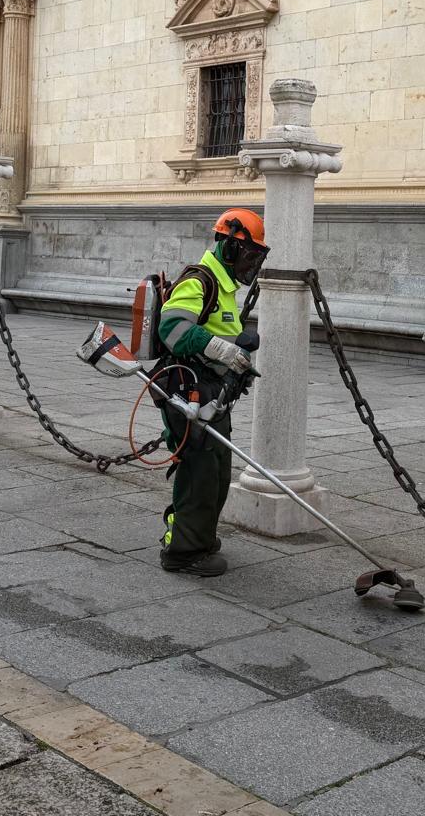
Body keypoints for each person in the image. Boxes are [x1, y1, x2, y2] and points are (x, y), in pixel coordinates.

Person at [154, 208, 268, 576]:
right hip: (188, 390)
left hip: (212, 393)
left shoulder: (224, 285)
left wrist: (238, 356)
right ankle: (183, 552)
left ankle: (197, 533)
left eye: (256, 257)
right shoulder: (200, 280)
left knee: (216, 473)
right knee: (199, 472)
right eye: (249, 254)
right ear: (229, 246)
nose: (251, 263)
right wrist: (223, 350)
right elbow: (171, 329)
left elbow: (217, 330)